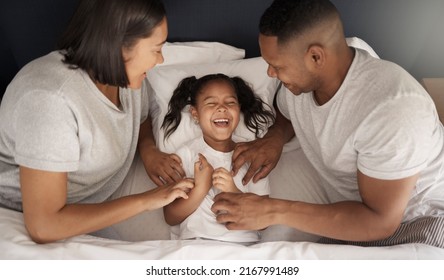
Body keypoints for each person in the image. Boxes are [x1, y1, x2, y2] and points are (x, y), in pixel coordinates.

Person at [211, 0, 444, 248]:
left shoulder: (392, 111)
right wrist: (275, 137)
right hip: (360, 213)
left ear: (315, 56)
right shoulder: (302, 81)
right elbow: (285, 110)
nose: (270, 73)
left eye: (277, 66)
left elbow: (380, 222)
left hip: (420, 223)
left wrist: (271, 210)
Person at [0, 0, 193, 244]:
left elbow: (141, 116)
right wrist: (147, 200)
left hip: (103, 188)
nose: (161, 60)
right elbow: (44, 226)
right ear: (119, 47)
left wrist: (149, 151)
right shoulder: (50, 101)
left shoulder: (122, 74)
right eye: (156, 49)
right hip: (36, 214)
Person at [162, 74, 274, 243]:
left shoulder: (252, 155)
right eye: (211, 103)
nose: (222, 108)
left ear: (239, 109)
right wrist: (200, 188)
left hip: (244, 247)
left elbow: (264, 222)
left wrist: (233, 191)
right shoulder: (186, 155)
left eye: (230, 102)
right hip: (196, 244)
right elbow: (170, 217)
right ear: (195, 113)